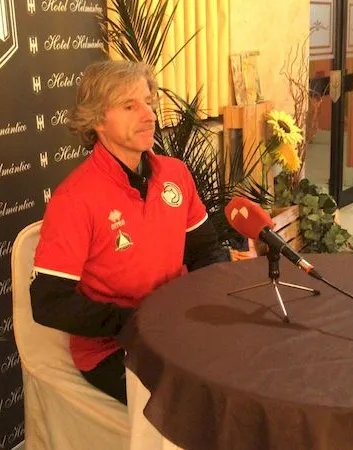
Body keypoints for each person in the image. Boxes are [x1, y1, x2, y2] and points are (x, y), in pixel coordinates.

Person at [30, 60, 229, 405]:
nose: (149, 114)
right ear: (96, 120)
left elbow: (205, 250)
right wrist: (138, 321)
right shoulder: (74, 198)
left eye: (149, 102)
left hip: (177, 326)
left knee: (244, 371)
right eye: (129, 105)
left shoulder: (175, 175)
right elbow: (48, 303)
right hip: (112, 348)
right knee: (201, 405)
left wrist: (209, 303)